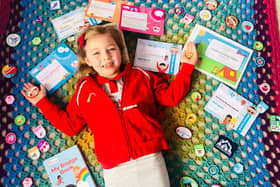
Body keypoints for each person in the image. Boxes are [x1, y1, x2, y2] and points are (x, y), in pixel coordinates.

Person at [21, 23, 198, 187]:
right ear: (86, 60)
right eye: (96, 53)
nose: (105, 56)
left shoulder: (140, 75)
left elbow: (170, 98)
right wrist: (41, 102)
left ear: (121, 52)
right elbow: (69, 126)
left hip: (150, 158)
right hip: (115, 169)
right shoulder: (84, 89)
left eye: (111, 49)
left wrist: (187, 67)